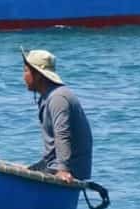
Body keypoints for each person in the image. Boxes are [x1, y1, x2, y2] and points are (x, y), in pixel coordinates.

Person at [22, 48, 92, 184]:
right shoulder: (47, 97)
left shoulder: (58, 98)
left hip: (69, 169)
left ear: (38, 75)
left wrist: (63, 170)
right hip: (53, 164)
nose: (23, 76)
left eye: (26, 71)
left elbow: (62, 134)